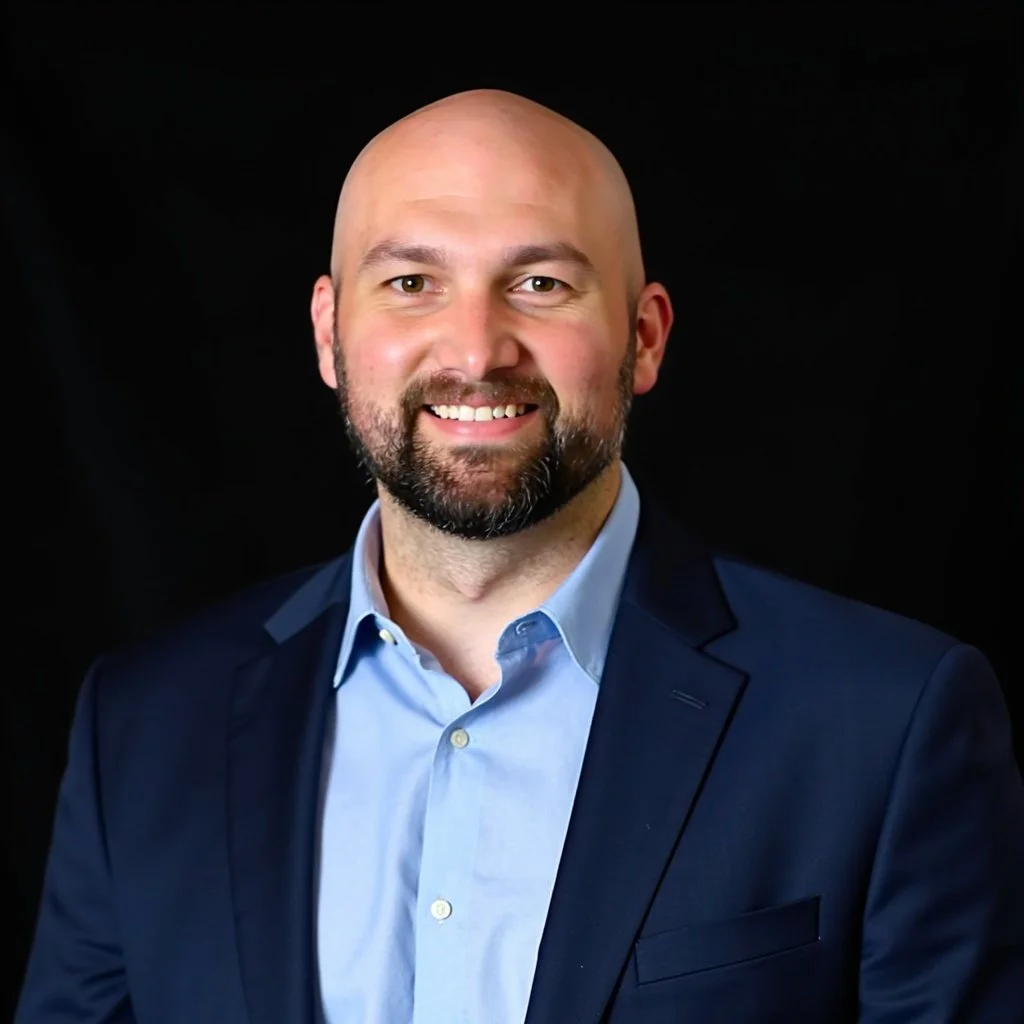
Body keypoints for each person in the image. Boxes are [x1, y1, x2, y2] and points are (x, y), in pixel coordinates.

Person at [16, 89, 1024, 1024]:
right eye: (411, 282)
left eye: (540, 284)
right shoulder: (142, 726)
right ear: (329, 334)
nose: (475, 350)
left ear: (643, 336)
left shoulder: (884, 722)